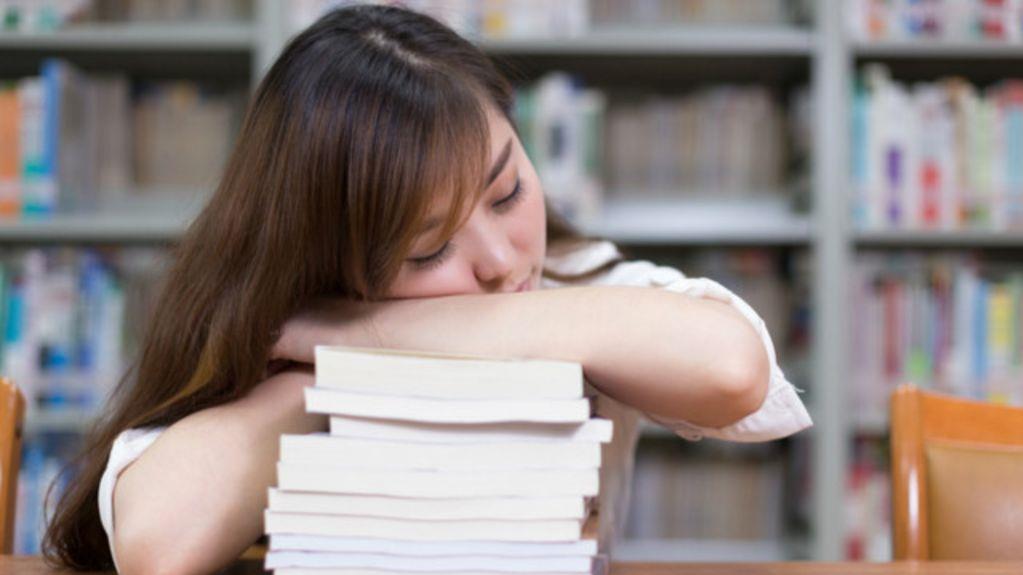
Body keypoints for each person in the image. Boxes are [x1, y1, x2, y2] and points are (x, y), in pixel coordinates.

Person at [43, 5, 812, 574]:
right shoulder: (280, 338)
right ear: (329, 259)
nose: (500, 260)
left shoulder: (580, 283)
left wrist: (355, 334)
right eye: (428, 249)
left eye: (507, 192)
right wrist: (329, 371)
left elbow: (731, 369)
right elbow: (160, 545)